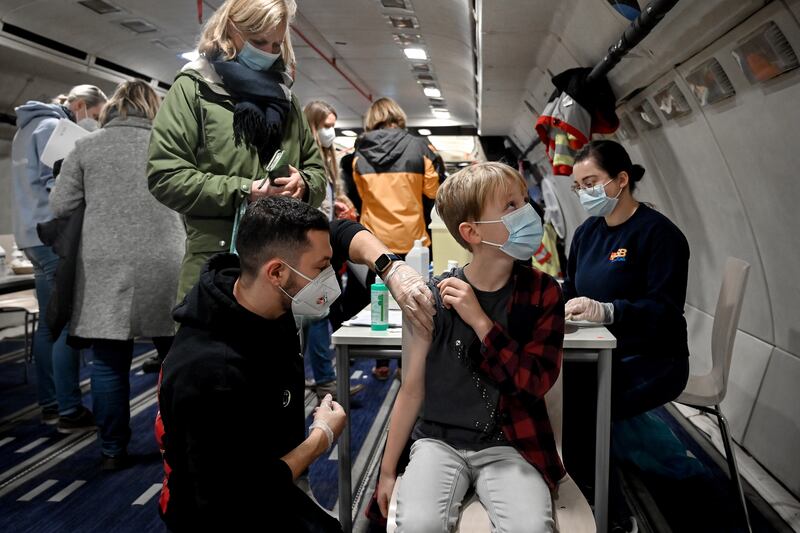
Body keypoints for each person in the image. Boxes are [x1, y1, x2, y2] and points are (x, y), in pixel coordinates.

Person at [155, 196, 434, 532]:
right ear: (276, 272)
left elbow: (342, 232)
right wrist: (321, 437)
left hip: (267, 471)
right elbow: (232, 497)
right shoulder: (212, 372)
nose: (330, 278)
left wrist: (391, 267)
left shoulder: (254, 289)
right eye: (321, 268)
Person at [377, 162, 565, 532]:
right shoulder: (430, 298)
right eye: (511, 206)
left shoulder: (544, 292)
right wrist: (386, 471)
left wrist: (480, 321)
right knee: (416, 525)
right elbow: (411, 389)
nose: (528, 213)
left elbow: (533, 384)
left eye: (524, 200)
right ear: (471, 232)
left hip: (510, 444)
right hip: (438, 442)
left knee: (533, 527)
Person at [148, 0, 327, 305]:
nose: (269, 53)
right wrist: (245, 191)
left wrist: (305, 184)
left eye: (275, 44)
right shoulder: (194, 88)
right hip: (218, 268)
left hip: (283, 269)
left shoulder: (286, 98)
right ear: (230, 29)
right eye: (258, 42)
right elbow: (165, 176)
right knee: (214, 352)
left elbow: (317, 171)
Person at [49, 81, 184, 469]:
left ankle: (112, 450)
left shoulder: (86, 147)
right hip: (166, 260)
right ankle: (178, 443)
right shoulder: (169, 146)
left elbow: (61, 205)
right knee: (175, 359)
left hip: (105, 264)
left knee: (108, 363)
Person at [561, 140, 690, 492]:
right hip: (598, 351)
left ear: (620, 179)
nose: (584, 192)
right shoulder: (587, 232)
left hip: (651, 358)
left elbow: (664, 311)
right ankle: (577, 481)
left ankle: (606, 504)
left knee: (579, 404)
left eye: (590, 182)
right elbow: (571, 288)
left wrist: (609, 311)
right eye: (578, 186)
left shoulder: (659, 235)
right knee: (552, 386)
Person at [11, 84, 107, 429]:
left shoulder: (24, 129)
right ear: (80, 105)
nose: (95, 122)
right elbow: (59, 184)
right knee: (67, 322)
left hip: (27, 236)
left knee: (47, 326)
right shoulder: (53, 128)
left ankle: (50, 403)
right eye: (95, 115)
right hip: (52, 237)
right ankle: (69, 410)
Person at [352, 97, 442, 379]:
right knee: (414, 304)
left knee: (377, 309)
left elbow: (362, 195)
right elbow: (433, 190)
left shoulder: (358, 153)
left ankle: (380, 363)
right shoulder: (419, 146)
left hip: (374, 245)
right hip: (412, 242)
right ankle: (407, 363)